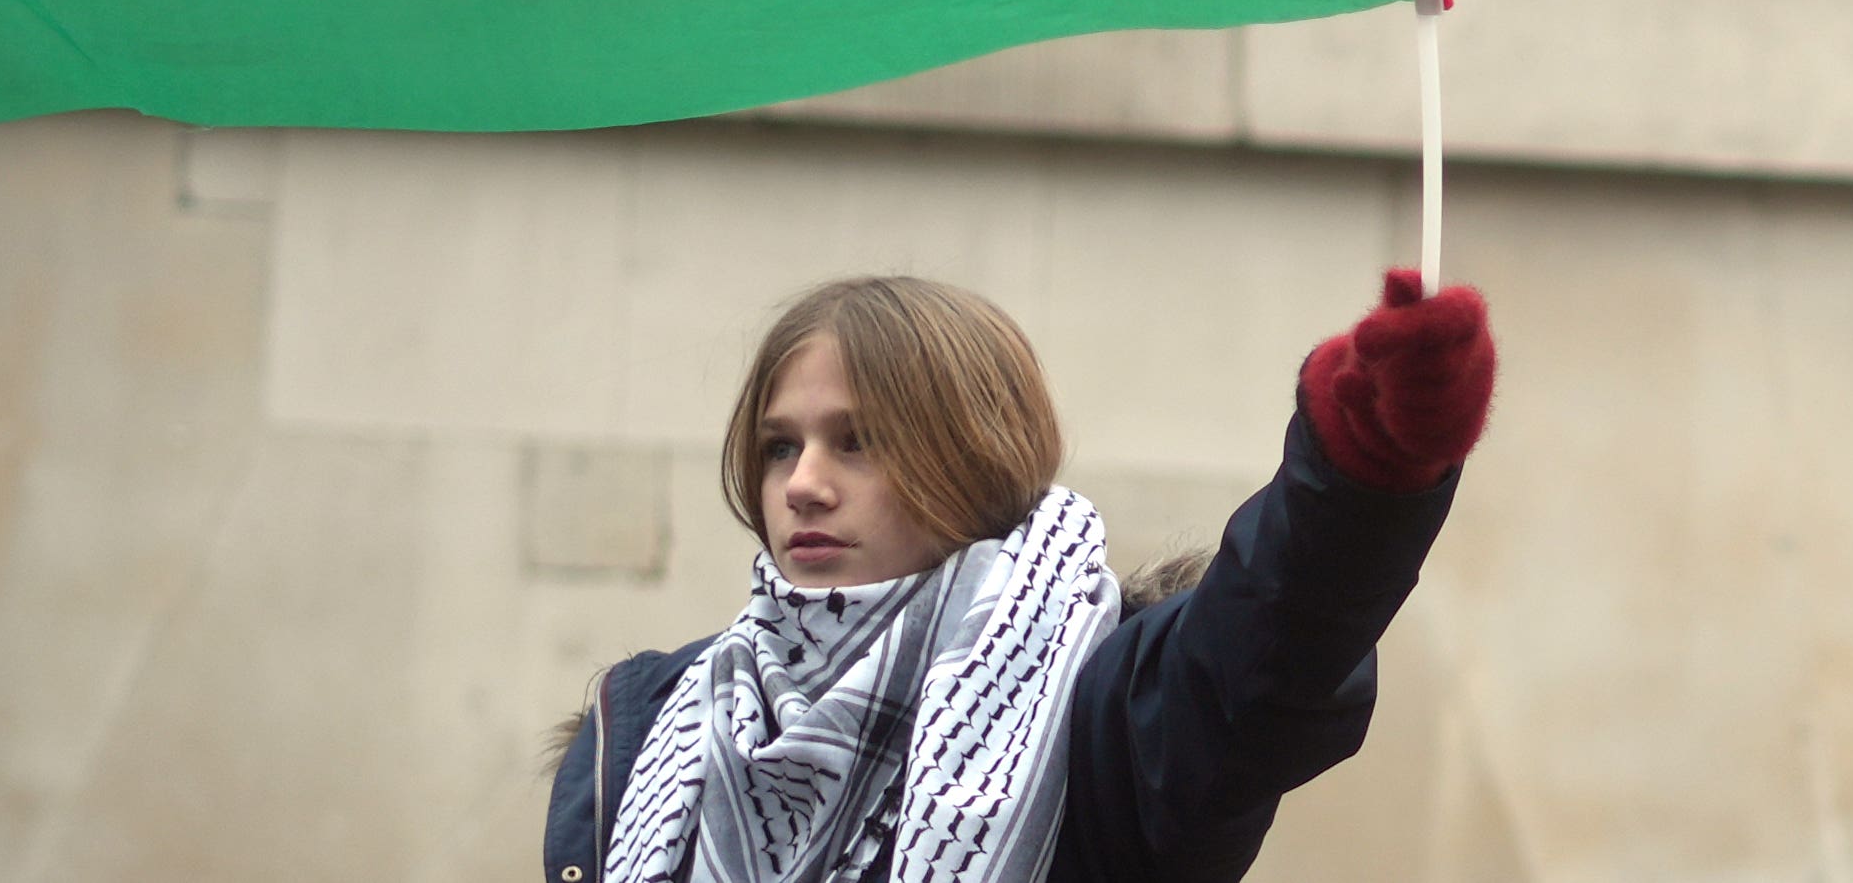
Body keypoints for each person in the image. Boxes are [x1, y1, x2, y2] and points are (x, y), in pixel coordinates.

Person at [543, 268, 1495, 883]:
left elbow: (1273, 640)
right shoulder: (656, 720)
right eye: (779, 444)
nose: (803, 483)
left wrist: (1363, 469)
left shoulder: (1101, 708)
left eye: (859, 443)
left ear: (970, 454)